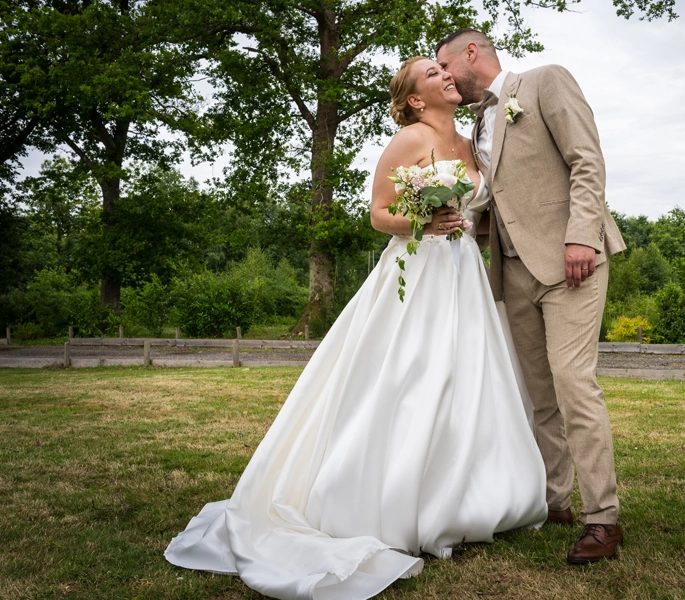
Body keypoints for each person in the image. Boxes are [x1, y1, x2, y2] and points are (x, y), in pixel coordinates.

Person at [163, 56, 548, 600]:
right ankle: (393, 499)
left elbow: (482, 210)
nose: (445, 75)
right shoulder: (408, 141)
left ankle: (474, 494)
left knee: (473, 380)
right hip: (418, 275)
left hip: (466, 275)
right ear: (415, 99)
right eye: (432, 73)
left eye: (444, 69)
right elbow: (378, 213)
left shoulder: (472, 141)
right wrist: (424, 220)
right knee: (415, 379)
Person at [436, 29, 628, 563]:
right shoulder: (475, 122)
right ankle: (555, 500)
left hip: (571, 262)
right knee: (538, 394)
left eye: (444, 65)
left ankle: (603, 519)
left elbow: (587, 160)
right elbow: (496, 197)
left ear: (470, 53)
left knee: (573, 382)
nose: (444, 76)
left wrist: (581, 236)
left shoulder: (545, 82)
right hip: (510, 270)